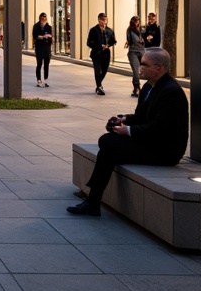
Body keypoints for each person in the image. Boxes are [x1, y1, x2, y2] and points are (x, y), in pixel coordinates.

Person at [67, 48, 189, 217]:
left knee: (107, 143)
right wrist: (123, 119)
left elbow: (158, 129)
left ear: (158, 68)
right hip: (149, 141)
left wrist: (127, 131)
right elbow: (141, 117)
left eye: (144, 65)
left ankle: (92, 199)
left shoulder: (171, 92)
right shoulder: (148, 87)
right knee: (107, 148)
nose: (140, 67)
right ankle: (93, 201)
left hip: (164, 150)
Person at [86, 13, 116, 95]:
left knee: (104, 70)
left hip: (106, 53)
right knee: (98, 70)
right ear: (99, 20)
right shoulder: (93, 30)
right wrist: (99, 46)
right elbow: (89, 43)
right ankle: (99, 86)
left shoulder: (109, 30)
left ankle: (99, 84)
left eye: (105, 20)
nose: (104, 22)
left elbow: (113, 41)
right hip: (96, 53)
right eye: (102, 20)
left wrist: (108, 45)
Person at [124, 16, 145, 97]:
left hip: (142, 52)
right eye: (135, 21)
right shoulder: (129, 30)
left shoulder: (142, 29)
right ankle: (137, 88)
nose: (137, 23)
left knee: (142, 71)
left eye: (138, 21)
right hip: (133, 52)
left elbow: (146, 38)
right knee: (136, 71)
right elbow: (129, 40)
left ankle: (138, 88)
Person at [32, 12, 52, 88]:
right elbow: (35, 36)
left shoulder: (48, 27)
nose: (43, 18)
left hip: (46, 47)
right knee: (39, 63)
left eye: (45, 17)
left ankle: (46, 79)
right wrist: (43, 37)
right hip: (39, 47)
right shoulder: (36, 26)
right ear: (40, 18)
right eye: (42, 17)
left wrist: (49, 37)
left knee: (46, 64)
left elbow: (50, 37)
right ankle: (39, 79)